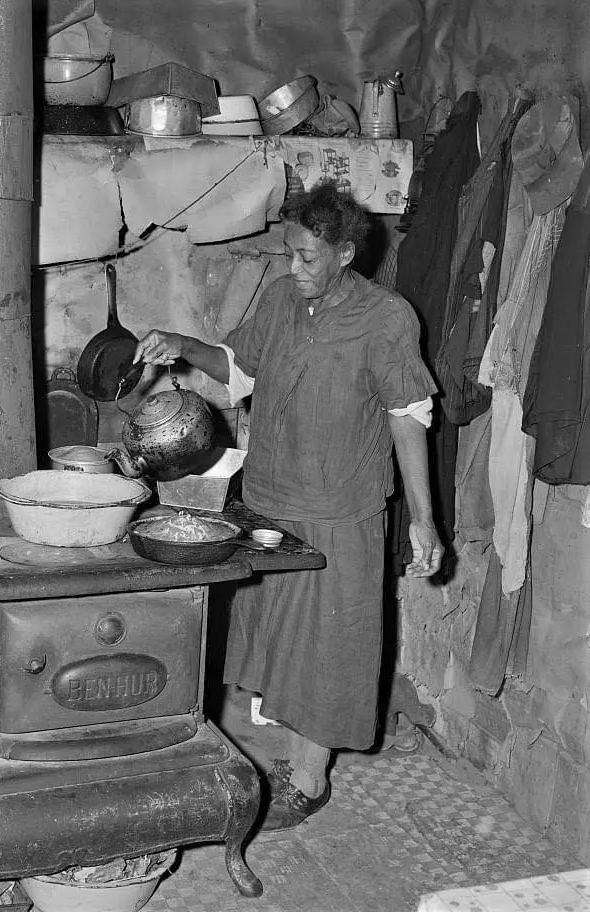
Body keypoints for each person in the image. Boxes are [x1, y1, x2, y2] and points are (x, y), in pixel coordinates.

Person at [132, 181, 444, 831]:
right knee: (273, 638)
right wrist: (180, 344)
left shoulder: (386, 318)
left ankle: (308, 778)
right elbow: (238, 370)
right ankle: (278, 756)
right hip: (267, 496)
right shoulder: (278, 298)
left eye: (306, 256)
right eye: (288, 252)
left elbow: (408, 417)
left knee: (327, 648)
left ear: (346, 254)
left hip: (336, 509)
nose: (293, 267)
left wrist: (423, 519)